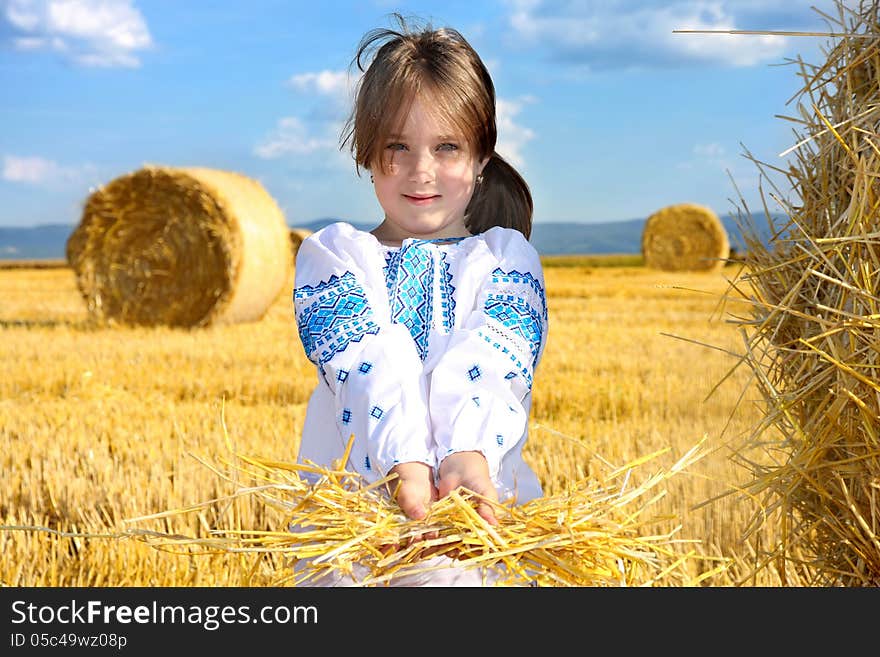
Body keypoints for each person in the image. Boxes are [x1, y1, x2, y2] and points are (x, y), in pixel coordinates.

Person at [291, 13, 549, 586]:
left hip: (476, 533)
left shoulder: (506, 259)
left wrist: (467, 452)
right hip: (358, 540)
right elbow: (364, 357)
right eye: (398, 146)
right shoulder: (334, 257)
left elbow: (498, 353)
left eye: (447, 147)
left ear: (482, 158)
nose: (421, 170)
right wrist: (403, 463)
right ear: (366, 154)